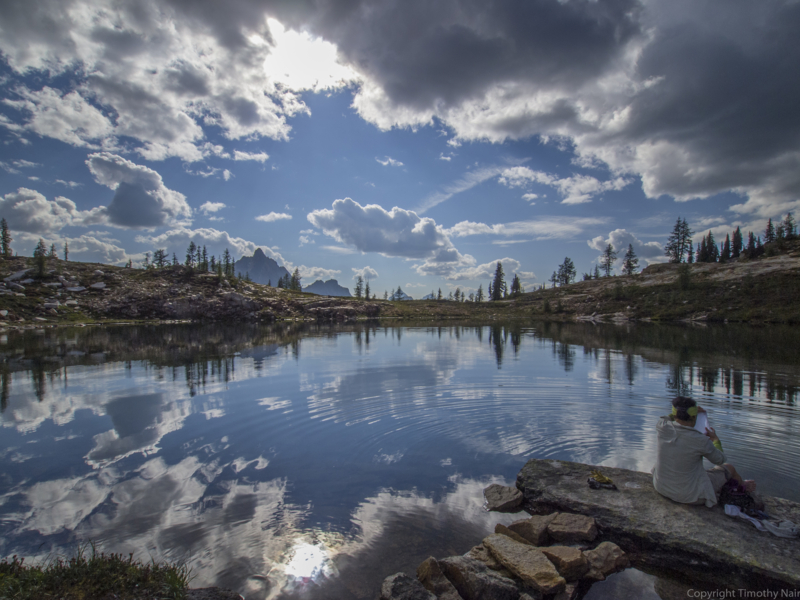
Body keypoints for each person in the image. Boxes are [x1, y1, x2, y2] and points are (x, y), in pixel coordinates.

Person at [653, 396, 754, 508]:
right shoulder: (700, 440)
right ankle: (744, 485)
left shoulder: (662, 426)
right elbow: (720, 460)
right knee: (729, 468)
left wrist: (680, 412)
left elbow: (668, 417)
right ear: (694, 417)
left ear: (675, 414)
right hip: (689, 496)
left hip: (661, 487)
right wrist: (715, 440)